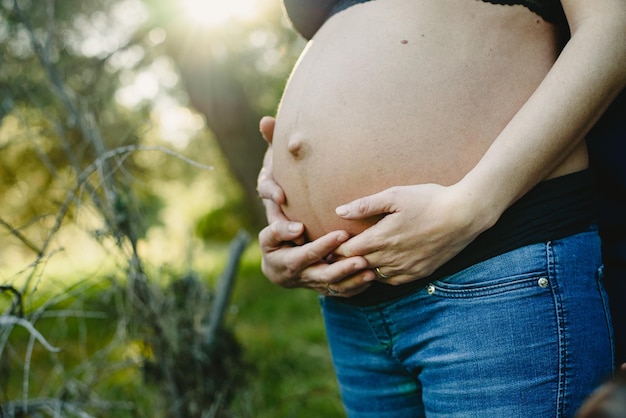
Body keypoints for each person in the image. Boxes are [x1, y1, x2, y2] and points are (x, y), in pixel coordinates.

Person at [257, 0, 626, 416]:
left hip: (496, 266)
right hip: (350, 309)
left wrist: (471, 207)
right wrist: (280, 197)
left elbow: (613, 28)